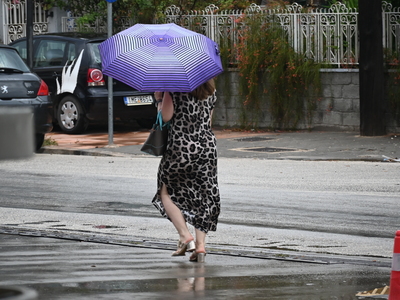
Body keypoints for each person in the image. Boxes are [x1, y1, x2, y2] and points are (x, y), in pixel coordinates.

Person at [152, 79, 220, 263]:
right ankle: (200, 246)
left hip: (181, 147)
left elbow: (165, 117)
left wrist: (159, 99)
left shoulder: (173, 89)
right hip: (207, 147)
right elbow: (209, 121)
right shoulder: (211, 91)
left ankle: (184, 235)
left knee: (165, 189)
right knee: (204, 195)